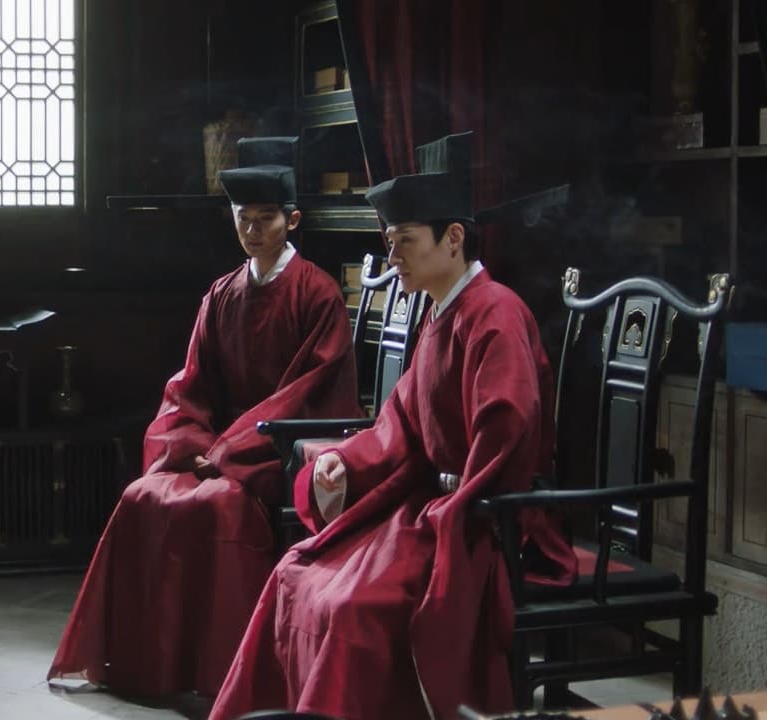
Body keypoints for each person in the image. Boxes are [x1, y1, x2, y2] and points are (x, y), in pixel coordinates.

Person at [209, 170, 578, 720]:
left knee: (353, 605)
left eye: (405, 240)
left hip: (486, 518)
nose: (393, 255)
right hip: (434, 506)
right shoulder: (442, 311)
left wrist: (453, 512)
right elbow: (400, 423)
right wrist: (341, 461)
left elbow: (507, 433)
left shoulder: (494, 314)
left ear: (453, 238)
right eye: (389, 241)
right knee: (296, 573)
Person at [47, 157, 364, 705]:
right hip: (216, 448)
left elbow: (309, 392)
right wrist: (193, 444)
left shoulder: (317, 294)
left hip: (277, 447)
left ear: (292, 220)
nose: (253, 230)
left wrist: (229, 451)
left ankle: (227, 675)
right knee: (143, 497)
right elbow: (190, 384)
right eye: (244, 218)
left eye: (266, 218)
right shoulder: (222, 293)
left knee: (218, 508)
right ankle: (146, 668)